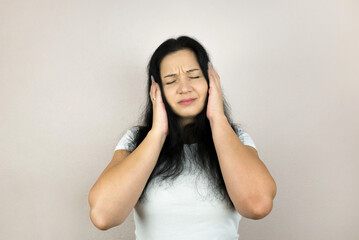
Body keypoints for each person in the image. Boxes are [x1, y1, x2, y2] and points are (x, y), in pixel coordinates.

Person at [88, 36, 277, 239]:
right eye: (170, 80)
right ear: (156, 90)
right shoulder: (136, 140)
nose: (184, 88)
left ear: (211, 81)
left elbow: (258, 206)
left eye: (194, 76)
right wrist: (158, 132)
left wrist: (217, 118)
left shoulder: (236, 138)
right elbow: (103, 217)